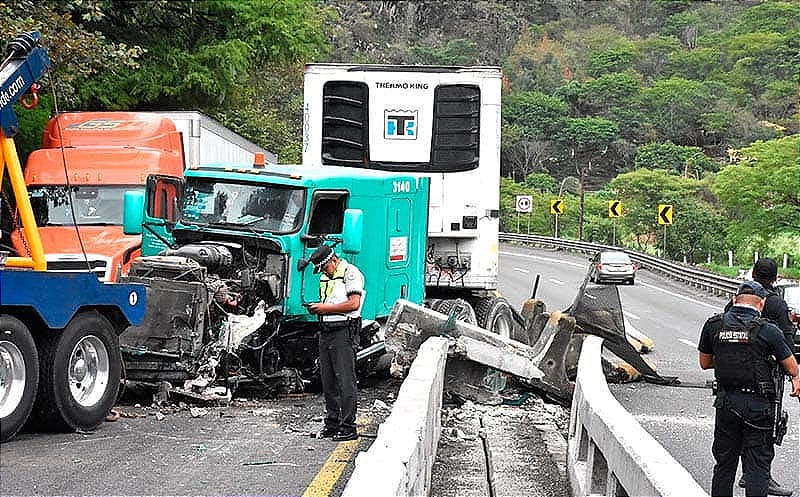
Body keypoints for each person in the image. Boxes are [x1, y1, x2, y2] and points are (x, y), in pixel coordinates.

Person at [699, 280, 800, 497]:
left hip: (726, 404)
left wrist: (731, 356)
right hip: (758, 406)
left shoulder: (714, 325)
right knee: (757, 467)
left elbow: (705, 363)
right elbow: (792, 367)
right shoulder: (768, 331)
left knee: (724, 465)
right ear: (761, 304)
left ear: (734, 300)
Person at [726, 258, 797, 495]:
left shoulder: (738, 299)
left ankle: (749, 473)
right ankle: (759, 476)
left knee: (733, 432)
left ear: (753, 274)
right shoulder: (776, 303)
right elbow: (787, 339)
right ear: (775, 278)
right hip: (768, 377)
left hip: (734, 374)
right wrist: (792, 372)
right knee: (766, 427)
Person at [305, 244, 364, 442]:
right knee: (328, 380)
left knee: (345, 380)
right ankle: (332, 423)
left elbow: (354, 304)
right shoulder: (326, 276)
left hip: (343, 332)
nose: (323, 271)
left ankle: (348, 427)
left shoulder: (351, 273)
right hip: (326, 331)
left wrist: (324, 309)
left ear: (333, 260)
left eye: (324, 267)